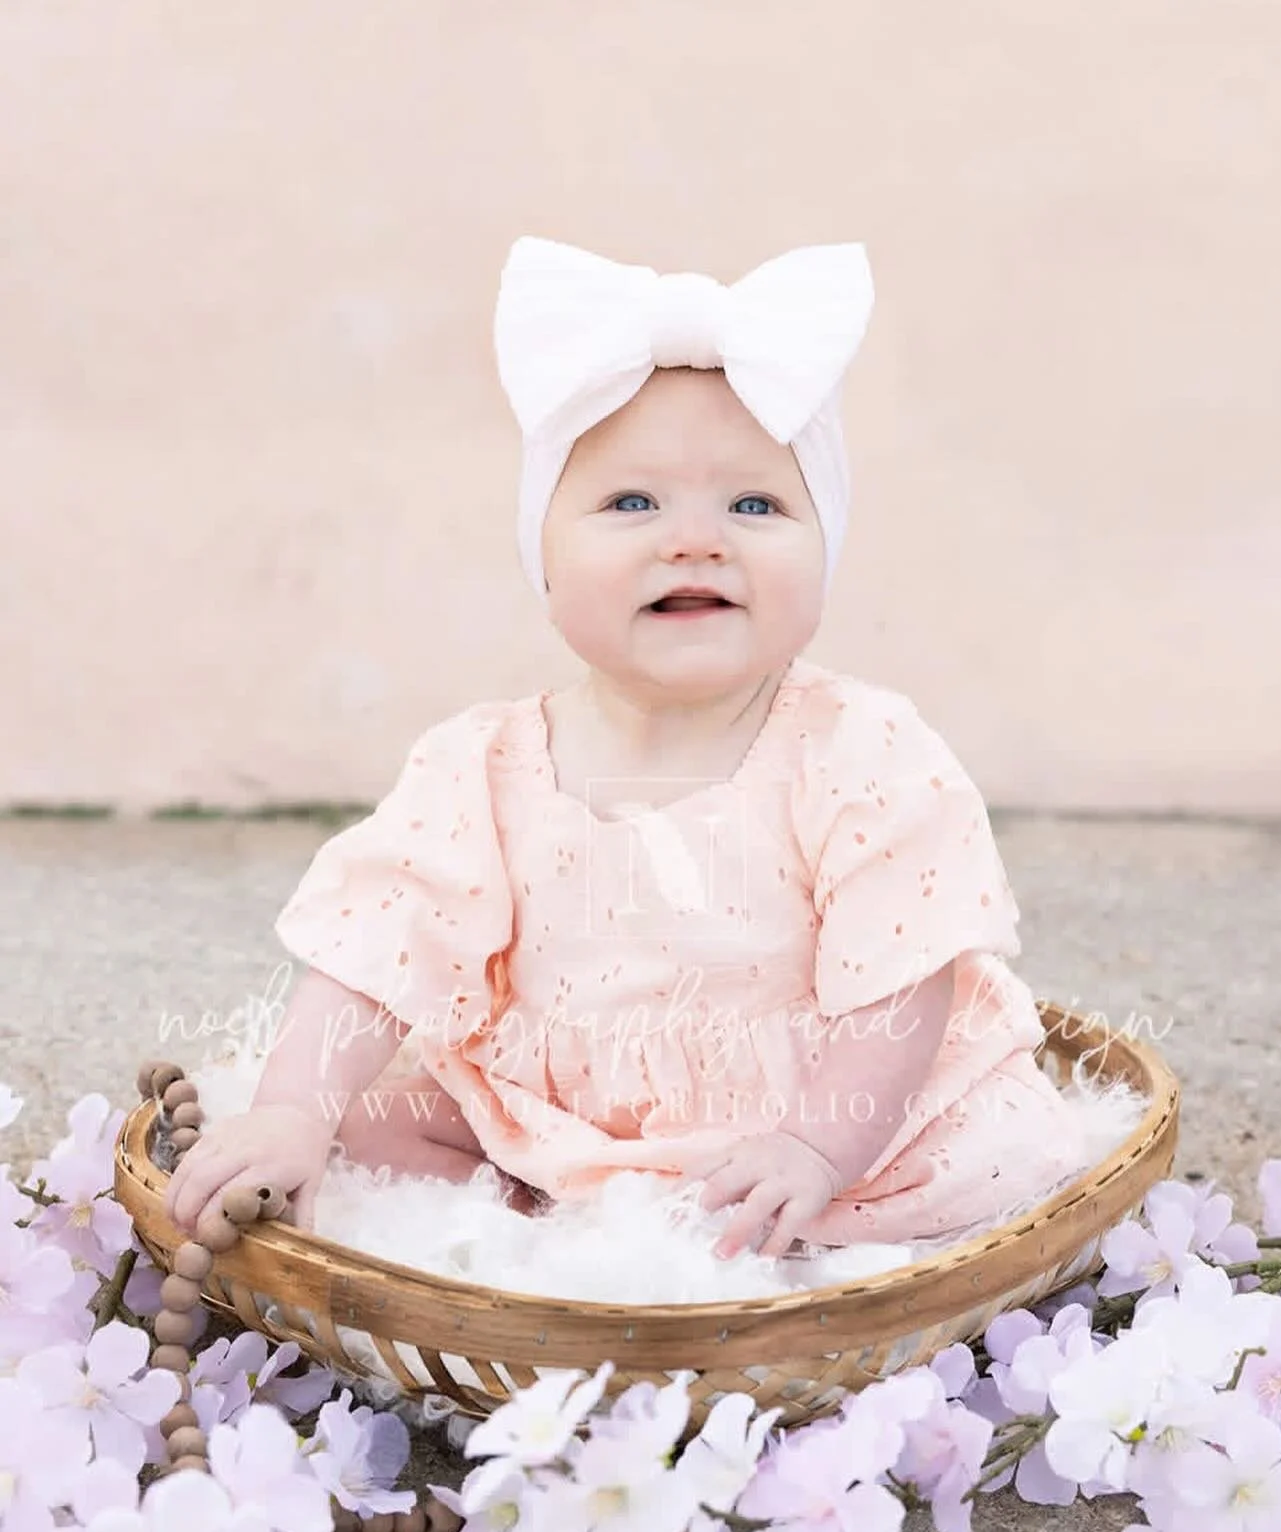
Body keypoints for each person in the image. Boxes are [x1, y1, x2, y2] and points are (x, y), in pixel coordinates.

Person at [163, 235, 1087, 1262]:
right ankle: (528, 1203)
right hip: (555, 1120)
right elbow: (379, 950)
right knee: (360, 1126)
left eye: (755, 504)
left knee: (952, 1175)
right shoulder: (485, 765)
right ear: (544, 562)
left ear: (825, 556)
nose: (693, 539)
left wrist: (816, 1145)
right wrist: (296, 1107)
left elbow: (902, 987)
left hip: (821, 1122)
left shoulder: (860, 751)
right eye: (631, 502)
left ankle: (740, 1224)